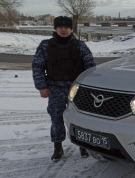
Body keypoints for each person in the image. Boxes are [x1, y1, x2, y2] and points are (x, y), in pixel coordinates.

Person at [32, 16, 96, 162]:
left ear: (71, 28)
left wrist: (88, 88)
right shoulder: (45, 45)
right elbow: (37, 66)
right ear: (55, 28)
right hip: (55, 89)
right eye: (60, 26)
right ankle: (57, 147)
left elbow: (90, 67)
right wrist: (42, 87)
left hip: (77, 89)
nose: (63, 29)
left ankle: (83, 145)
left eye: (66, 26)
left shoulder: (80, 45)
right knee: (56, 119)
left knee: (81, 119)